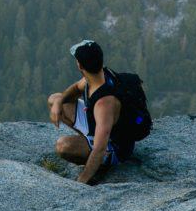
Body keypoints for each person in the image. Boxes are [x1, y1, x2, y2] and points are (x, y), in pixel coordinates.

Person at [46, 40, 136, 184]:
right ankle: (87, 141)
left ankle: (100, 167)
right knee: (55, 99)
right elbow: (76, 88)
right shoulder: (98, 75)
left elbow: (99, 149)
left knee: (63, 146)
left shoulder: (104, 103)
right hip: (97, 124)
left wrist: (81, 182)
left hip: (113, 146)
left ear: (80, 65)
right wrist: (58, 104)